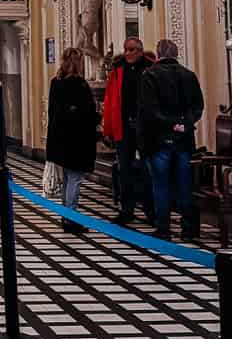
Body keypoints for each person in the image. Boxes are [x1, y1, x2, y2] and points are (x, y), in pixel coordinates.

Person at [138, 38, 205, 241]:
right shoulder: (189, 75)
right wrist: (183, 123)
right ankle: (187, 229)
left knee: (161, 184)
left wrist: (169, 124)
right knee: (185, 183)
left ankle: (164, 227)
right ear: (176, 55)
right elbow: (198, 106)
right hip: (183, 139)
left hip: (159, 139)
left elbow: (149, 110)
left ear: (158, 55)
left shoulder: (149, 75)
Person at [102, 37, 156, 227]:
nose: (128, 53)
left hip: (145, 127)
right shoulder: (117, 70)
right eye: (126, 49)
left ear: (140, 50)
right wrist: (107, 127)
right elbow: (110, 100)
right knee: (124, 170)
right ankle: (127, 210)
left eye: (132, 49)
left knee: (147, 170)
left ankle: (151, 211)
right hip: (123, 126)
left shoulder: (150, 68)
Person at [46, 48, 98, 232]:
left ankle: (65, 214)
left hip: (60, 138)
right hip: (77, 139)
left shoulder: (56, 82)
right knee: (74, 178)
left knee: (68, 178)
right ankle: (71, 217)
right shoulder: (79, 84)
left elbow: (53, 112)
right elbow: (88, 113)